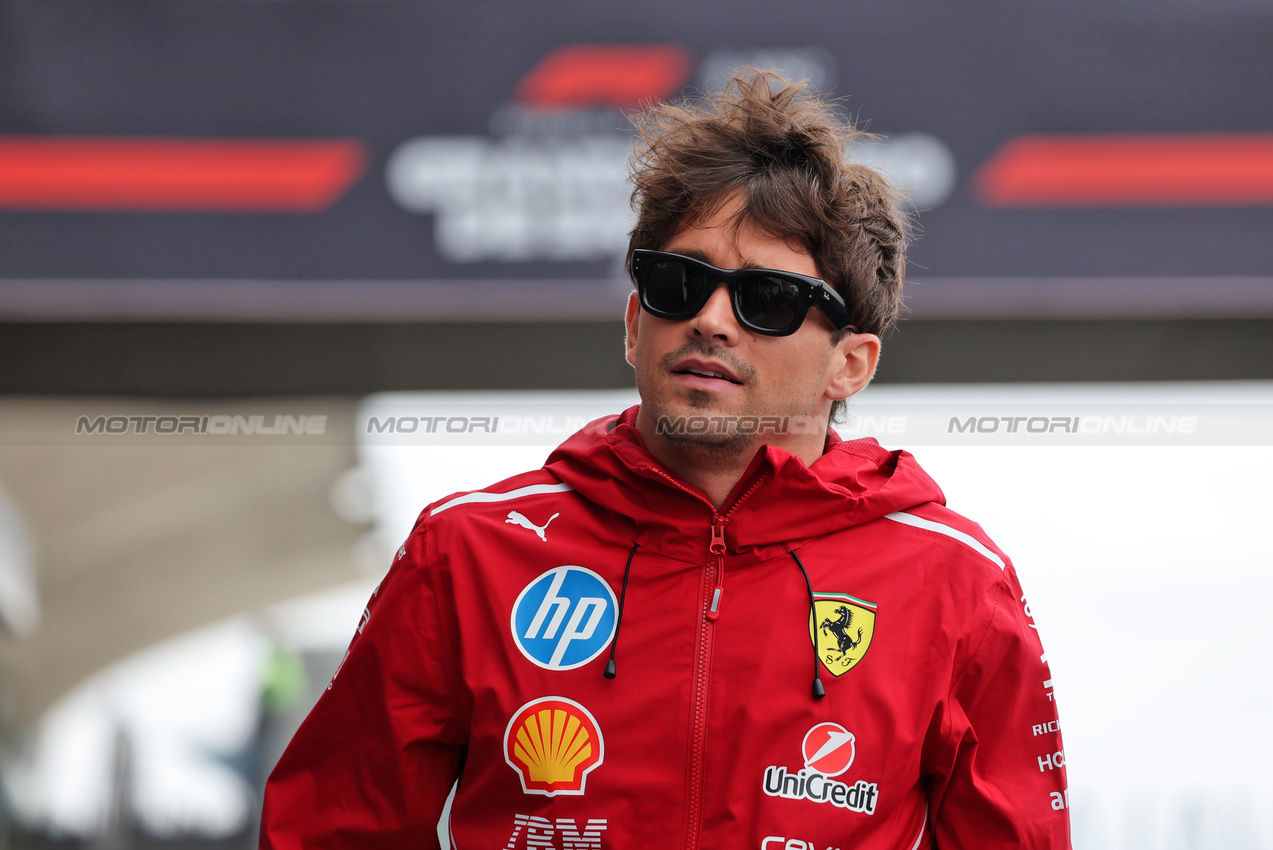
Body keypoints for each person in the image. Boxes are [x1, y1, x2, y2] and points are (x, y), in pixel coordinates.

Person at [260, 70, 1070, 849]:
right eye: (678, 283)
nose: (710, 319)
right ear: (631, 324)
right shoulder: (465, 550)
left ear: (849, 365)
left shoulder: (957, 582)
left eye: (766, 298)